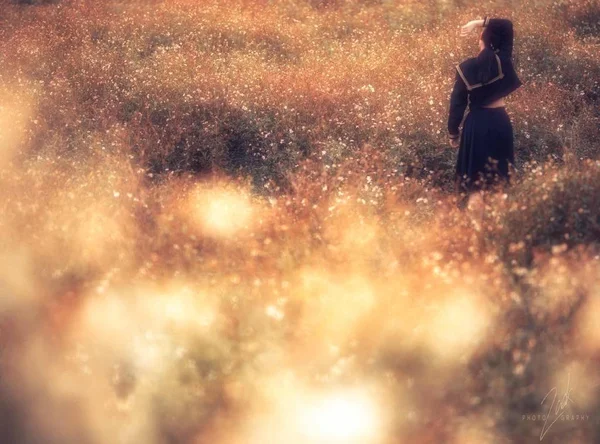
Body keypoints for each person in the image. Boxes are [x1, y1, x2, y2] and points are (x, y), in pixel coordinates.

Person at [447, 17, 523, 211]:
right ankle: (498, 229)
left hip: (477, 125)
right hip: (500, 122)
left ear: (482, 41)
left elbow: (457, 103)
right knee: (499, 179)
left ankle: (478, 233)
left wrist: (453, 133)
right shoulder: (503, 60)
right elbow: (506, 25)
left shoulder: (466, 68)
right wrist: (478, 22)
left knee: (475, 182)